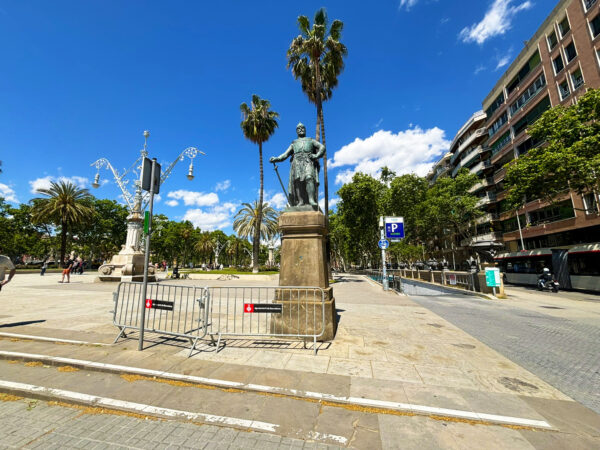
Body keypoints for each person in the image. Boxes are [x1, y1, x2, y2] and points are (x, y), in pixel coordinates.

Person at [269, 123, 325, 210]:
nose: (301, 129)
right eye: (298, 128)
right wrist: (276, 159)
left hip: (308, 161)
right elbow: (285, 154)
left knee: (309, 178)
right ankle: (301, 201)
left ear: (305, 130)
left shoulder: (311, 140)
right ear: (296, 131)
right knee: (297, 182)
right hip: (297, 163)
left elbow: (322, 147)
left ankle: (311, 199)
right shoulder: (294, 143)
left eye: (302, 128)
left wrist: (316, 155)